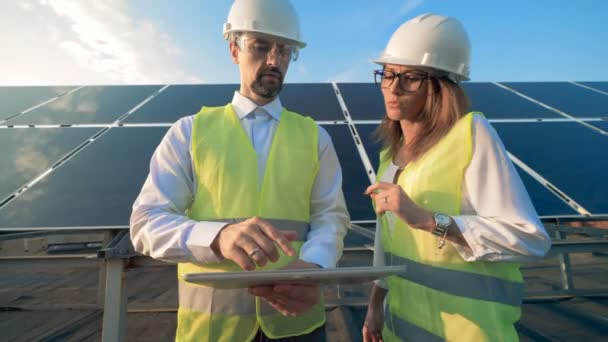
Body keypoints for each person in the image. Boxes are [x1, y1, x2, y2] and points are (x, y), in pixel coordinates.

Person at [129, 0, 348, 341]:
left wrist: (314, 268)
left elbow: (330, 219)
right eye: (260, 47)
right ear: (234, 50)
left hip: (298, 325)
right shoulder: (189, 132)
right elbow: (146, 223)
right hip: (214, 330)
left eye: (285, 51)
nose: (274, 60)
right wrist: (216, 237)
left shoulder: (316, 137)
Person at [361, 14, 551, 342]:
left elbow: (530, 238)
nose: (394, 88)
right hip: (399, 331)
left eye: (411, 77)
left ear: (441, 85)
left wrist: (429, 221)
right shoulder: (388, 160)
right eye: (388, 74)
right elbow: (388, 246)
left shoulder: (470, 136)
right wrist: (375, 305)